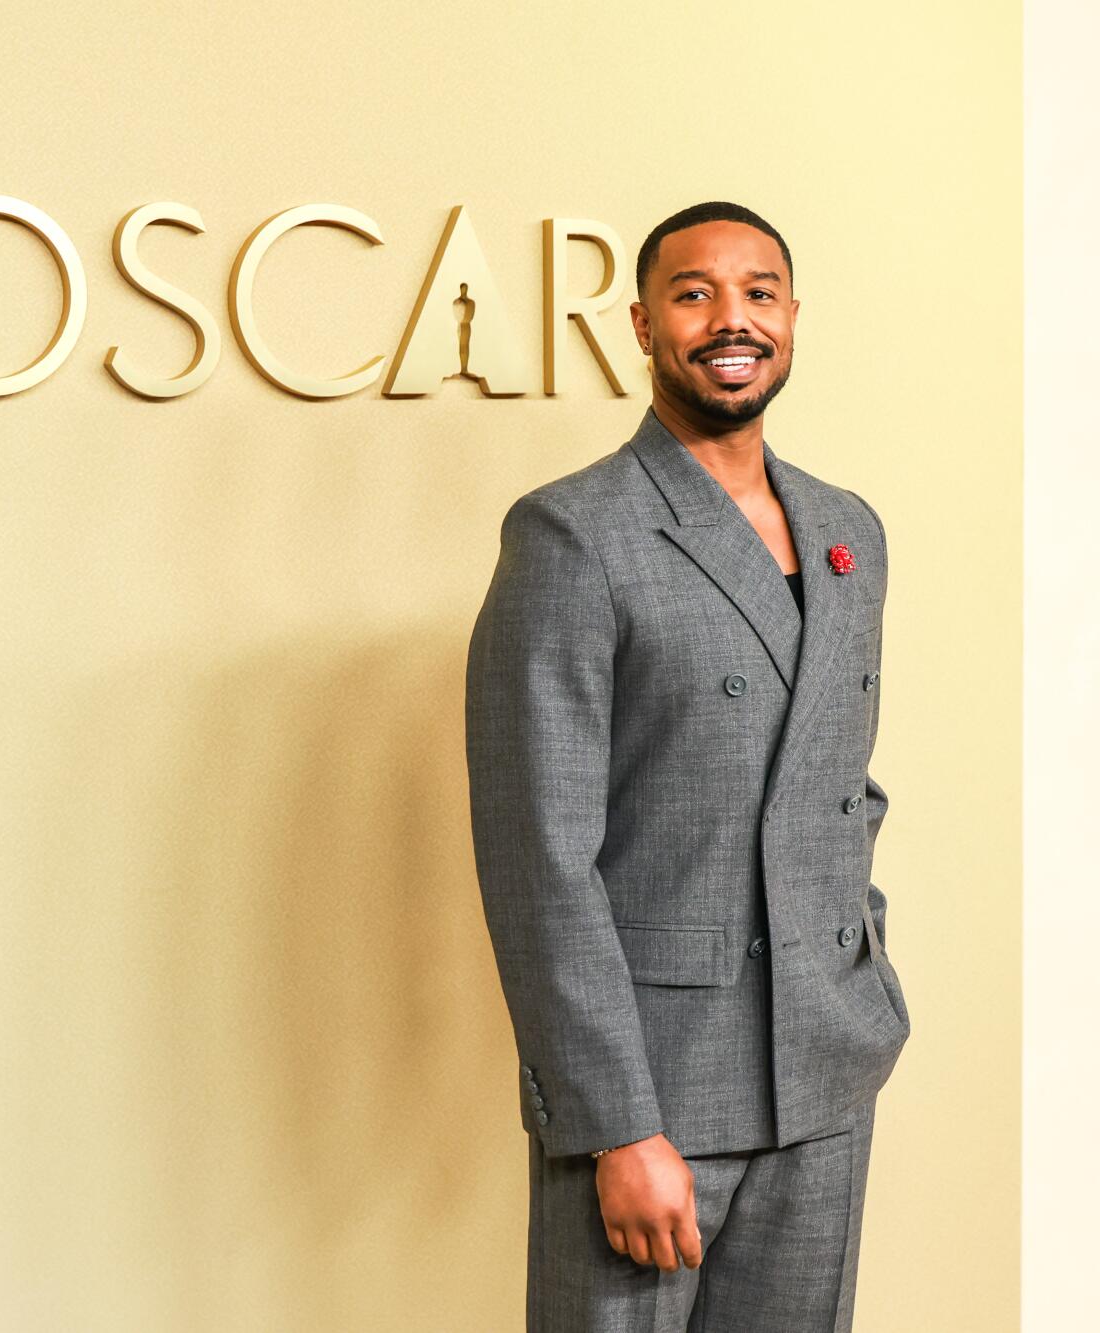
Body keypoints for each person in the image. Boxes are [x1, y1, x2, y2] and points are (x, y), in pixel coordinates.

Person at [464, 201, 911, 1331]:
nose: (731, 320)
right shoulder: (574, 533)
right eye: (694, 292)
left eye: (758, 292)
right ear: (643, 323)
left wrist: (866, 984)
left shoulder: (846, 530)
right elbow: (538, 857)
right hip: (654, 1090)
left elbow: (840, 790)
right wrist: (614, 1121)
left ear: (793, 317)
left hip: (821, 1070)